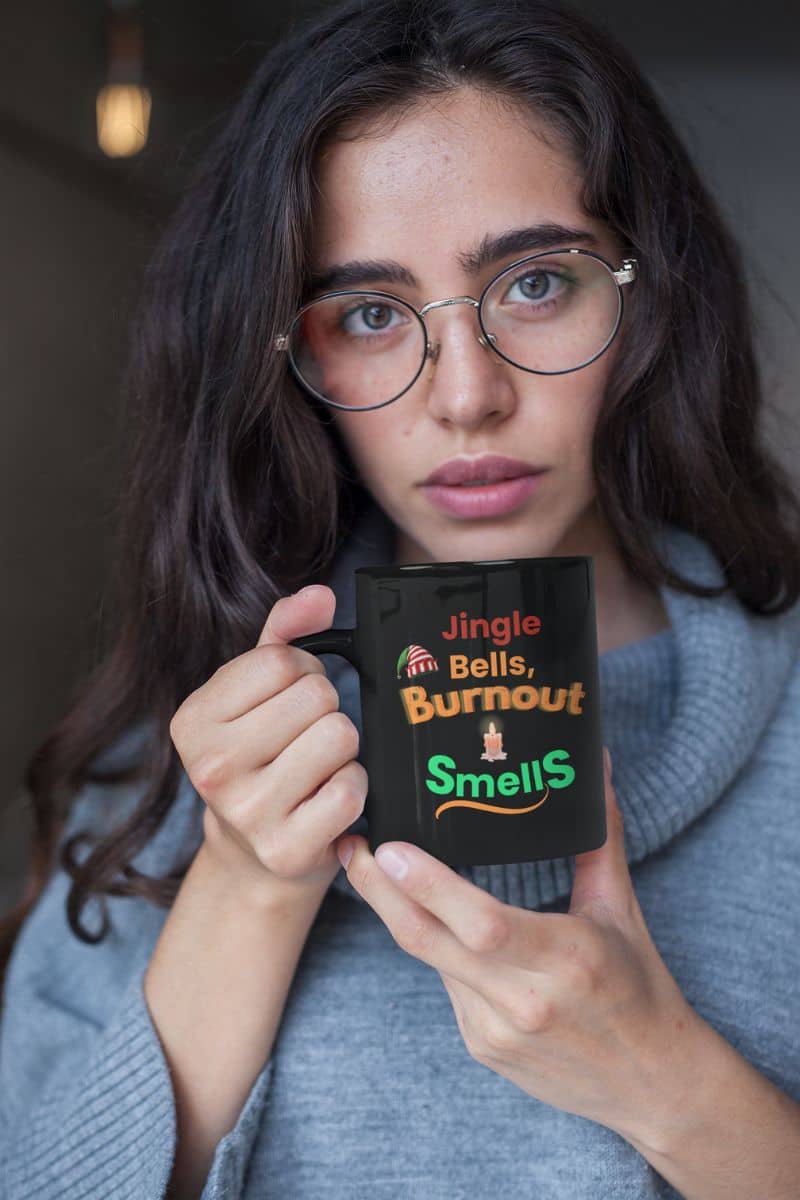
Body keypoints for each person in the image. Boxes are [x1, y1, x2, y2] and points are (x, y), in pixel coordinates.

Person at [1, 0, 799, 1196]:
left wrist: (669, 1084)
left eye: (535, 284)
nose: (464, 395)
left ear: (646, 298)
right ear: (290, 360)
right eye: (369, 316)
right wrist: (244, 888)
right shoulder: (173, 761)